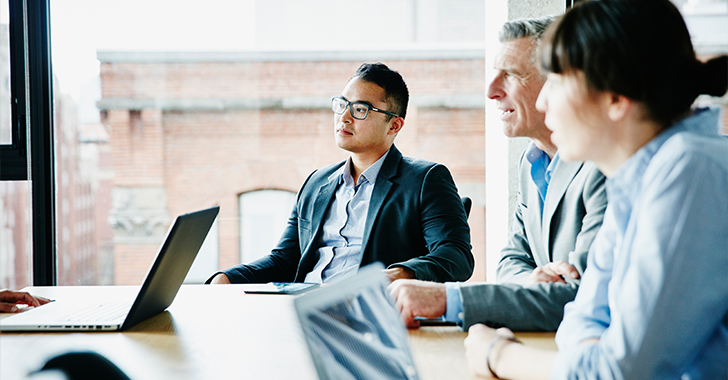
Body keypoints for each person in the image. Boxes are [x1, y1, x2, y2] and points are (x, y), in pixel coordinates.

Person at [464, 0, 728, 378]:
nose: (542, 101)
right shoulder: (634, 178)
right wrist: (592, 354)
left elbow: (619, 372)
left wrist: (499, 354)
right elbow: (579, 323)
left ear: (616, 97)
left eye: (555, 81)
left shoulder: (689, 169)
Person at [389, 17, 607, 332]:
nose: (491, 90)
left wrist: (448, 298)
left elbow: (584, 297)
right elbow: (509, 262)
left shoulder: (604, 166)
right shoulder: (530, 161)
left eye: (512, 74)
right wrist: (533, 284)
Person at [208, 63, 473, 285]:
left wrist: (398, 275)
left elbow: (456, 256)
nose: (344, 117)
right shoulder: (317, 182)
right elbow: (285, 260)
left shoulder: (426, 179)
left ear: (394, 125)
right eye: (342, 104)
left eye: (360, 109)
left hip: (365, 313)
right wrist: (227, 278)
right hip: (303, 306)